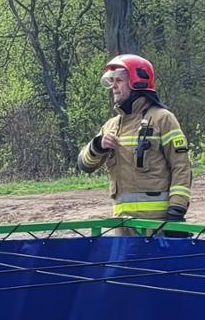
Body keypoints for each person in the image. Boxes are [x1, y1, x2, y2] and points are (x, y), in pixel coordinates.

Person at [77, 55, 191, 229]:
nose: (113, 86)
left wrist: (176, 211)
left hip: (157, 225)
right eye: (111, 81)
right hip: (122, 225)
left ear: (137, 83)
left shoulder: (163, 119)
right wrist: (97, 146)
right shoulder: (111, 126)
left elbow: (181, 166)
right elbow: (84, 165)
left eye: (119, 80)